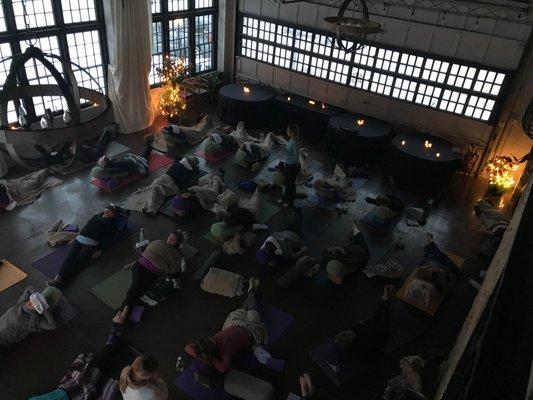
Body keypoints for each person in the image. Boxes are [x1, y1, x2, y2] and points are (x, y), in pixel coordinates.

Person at [185, 278, 267, 376]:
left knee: (243, 308)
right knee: (253, 308)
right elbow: (223, 368)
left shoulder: (204, 346)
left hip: (234, 323)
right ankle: (251, 290)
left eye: (209, 338)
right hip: (249, 330)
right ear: (211, 350)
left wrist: (200, 355)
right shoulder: (225, 351)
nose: (212, 339)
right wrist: (211, 359)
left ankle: (251, 291)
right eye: (211, 343)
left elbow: (187, 348)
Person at [114, 230, 188, 322]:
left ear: (177, 242)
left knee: (137, 287)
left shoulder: (176, 254)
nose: (169, 240)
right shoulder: (158, 242)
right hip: (139, 266)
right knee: (137, 286)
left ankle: (121, 313)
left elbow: (174, 270)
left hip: (152, 272)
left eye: (172, 240)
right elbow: (146, 252)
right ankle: (123, 313)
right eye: (169, 237)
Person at [48, 204, 122, 287]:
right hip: (79, 239)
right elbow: (86, 227)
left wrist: (100, 250)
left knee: (79, 261)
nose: (107, 211)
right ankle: (58, 277)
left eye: (111, 211)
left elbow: (108, 238)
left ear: (113, 215)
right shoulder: (96, 216)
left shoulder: (111, 224)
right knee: (70, 257)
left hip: (90, 244)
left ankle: (64, 279)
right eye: (107, 209)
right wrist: (76, 237)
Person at [327, 284, 394, 371]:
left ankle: (385, 300)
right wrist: (385, 299)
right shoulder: (364, 342)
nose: (347, 331)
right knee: (381, 317)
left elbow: (358, 326)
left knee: (376, 316)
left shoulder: (346, 333)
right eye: (347, 334)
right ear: (349, 341)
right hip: (380, 336)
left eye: (344, 333)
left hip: (370, 329)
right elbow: (379, 324)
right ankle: (385, 300)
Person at [404, 233, 463, 308]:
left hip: (432, 264)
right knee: (437, 254)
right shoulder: (444, 270)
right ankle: (430, 243)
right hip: (439, 266)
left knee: (433, 253)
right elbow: (449, 276)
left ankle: (430, 243)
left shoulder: (425, 271)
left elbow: (422, 268)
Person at [323, 220, 370, 285]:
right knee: (358, 238)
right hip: (359, 252)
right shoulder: (350, 263)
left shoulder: (348, 262)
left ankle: (355, 231)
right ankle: (356, 231)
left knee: (357, 238)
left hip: (357, 252)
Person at [277, 124, 301, 208]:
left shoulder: (296, 143)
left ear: (293, 133)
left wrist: (287, 153)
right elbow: (288, 148)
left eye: (288, 131)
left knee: (291, 185)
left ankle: (290, 202)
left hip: (293, 167)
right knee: (287, 183)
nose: (287, 132)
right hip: (288, 164)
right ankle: (284, 198)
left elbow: (296, 157)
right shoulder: (291, 139)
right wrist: (285, 149)